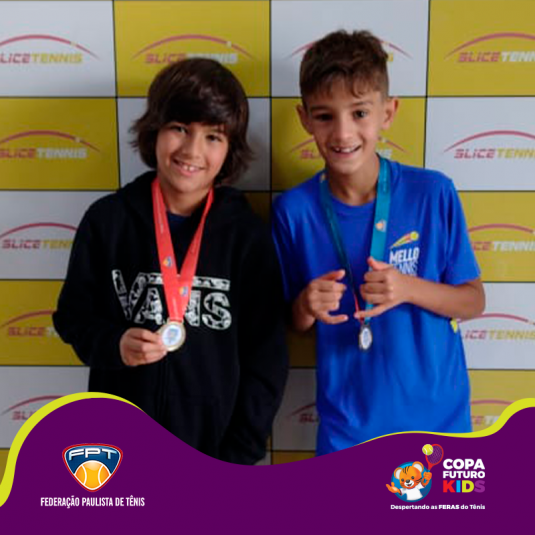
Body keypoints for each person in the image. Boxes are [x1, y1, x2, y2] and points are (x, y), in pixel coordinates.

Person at [54, 58, 288, 465]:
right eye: (179, 128)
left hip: (214, 456)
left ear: (230, 149)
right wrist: (115, 344)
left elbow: (266, 357)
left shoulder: (246, 236)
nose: (192, 150)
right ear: (155, 130)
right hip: (117, 450)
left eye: (213, 136)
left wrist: (238, 454)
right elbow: (72, 318)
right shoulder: (108, 222)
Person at [271, 30, 485, 456]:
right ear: (304, 118)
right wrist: (305, 305)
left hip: (439, 425)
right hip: (348, 431)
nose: (343, 132)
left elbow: (473, 301)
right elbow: (288, 323)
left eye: (359, 113)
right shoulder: (293, 211)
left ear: (388, 112)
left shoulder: (433, 193)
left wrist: (408, 288)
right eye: (325, 116)